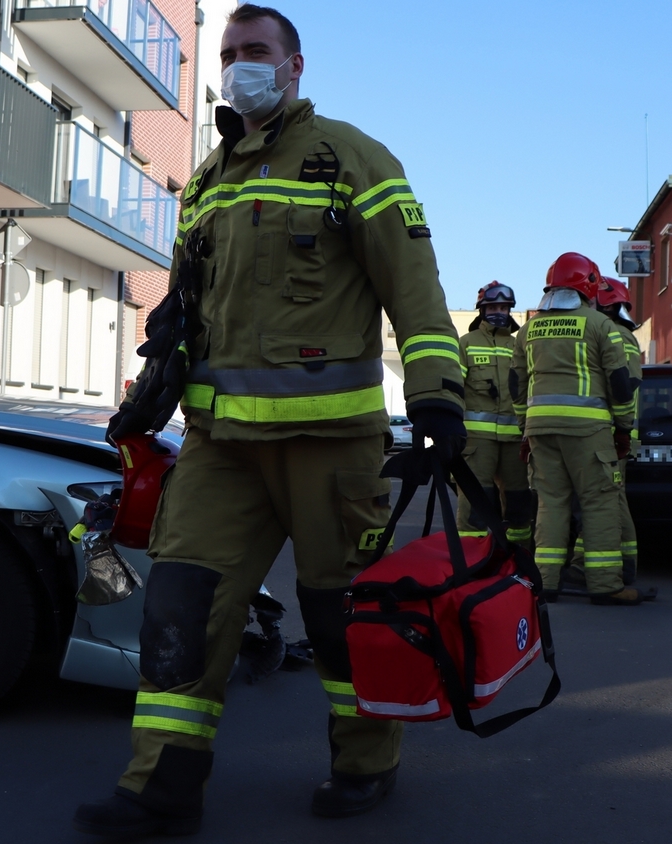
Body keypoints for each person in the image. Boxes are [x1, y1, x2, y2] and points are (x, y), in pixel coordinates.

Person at [74, 6, 466, 835]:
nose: (240, 65)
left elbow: (414, 284)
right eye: (229, 53)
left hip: (330, 447)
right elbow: (183, 309)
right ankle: (162, 789)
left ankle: (366, 763)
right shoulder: (210, 180)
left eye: (257, 52)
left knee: (342, 620)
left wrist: (436, 391)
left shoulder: (351, 158)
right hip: (219, 448)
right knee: (180, 611)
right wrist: (150, 391)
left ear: (295, 67)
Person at [510, 253, 651, 605]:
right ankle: (606, 586)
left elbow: (517, 385)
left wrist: (524, 431)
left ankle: (545, 584)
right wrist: (623, 429)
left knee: (551, 504)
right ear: (589, 285)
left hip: (541, 430)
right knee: (598, 502)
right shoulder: (599, 326)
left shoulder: (528, 330)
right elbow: (620, 385)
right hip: (589, 432)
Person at [456, 281, 533, 549]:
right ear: (482, 310)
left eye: (503, 307)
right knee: (474, 503)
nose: (498, 311)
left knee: (519, 503)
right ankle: (470, 559)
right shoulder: (465, 344)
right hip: (477, 442)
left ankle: (517, 558)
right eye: (492, 307)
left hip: (515, 441)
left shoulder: (520, 344)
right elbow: (454, 390)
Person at [596, 278, 642, 582]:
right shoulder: (618, 333)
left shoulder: (617, 335)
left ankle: (624, 568)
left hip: (614, 433)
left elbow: (624, 385)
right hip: (613, 431)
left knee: (611, 498)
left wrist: (619, 429)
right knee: (605, 497)